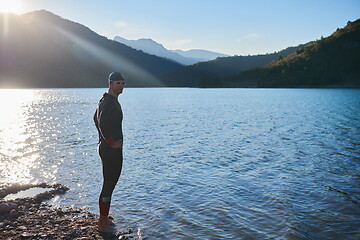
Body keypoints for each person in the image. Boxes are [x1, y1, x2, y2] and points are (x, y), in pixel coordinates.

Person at [93, 72, 126, 232]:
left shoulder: (107, 100)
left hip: (107, 148)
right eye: (118, 83)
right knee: (109, 183)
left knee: (110, 182)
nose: (121, 86)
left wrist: (103, 139)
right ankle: (102, 222)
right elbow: (102, 123)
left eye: (123, 83)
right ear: (111, 83)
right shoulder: (108, 103)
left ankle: (104, 217)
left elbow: (95, 118)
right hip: (110, 150)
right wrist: (111, 143)